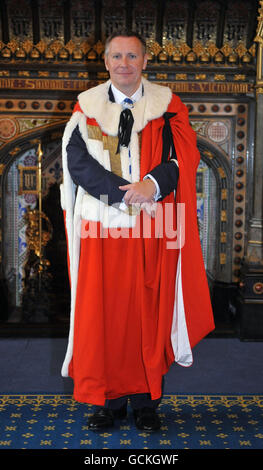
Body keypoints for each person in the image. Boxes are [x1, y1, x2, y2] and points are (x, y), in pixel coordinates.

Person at [60, 30, 214, 432]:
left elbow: (184, 155)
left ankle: (147, 402)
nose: (124, 63)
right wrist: (122, 195)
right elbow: (76, 161)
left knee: (150, 313)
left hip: (155, 224)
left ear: (145, 61)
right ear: (106, 62)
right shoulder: (86, 107)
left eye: (132, 56)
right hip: (102, 227)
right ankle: (109, 401)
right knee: (105, 313)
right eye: (116, 56)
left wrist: (152, 185)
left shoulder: (167, 106)